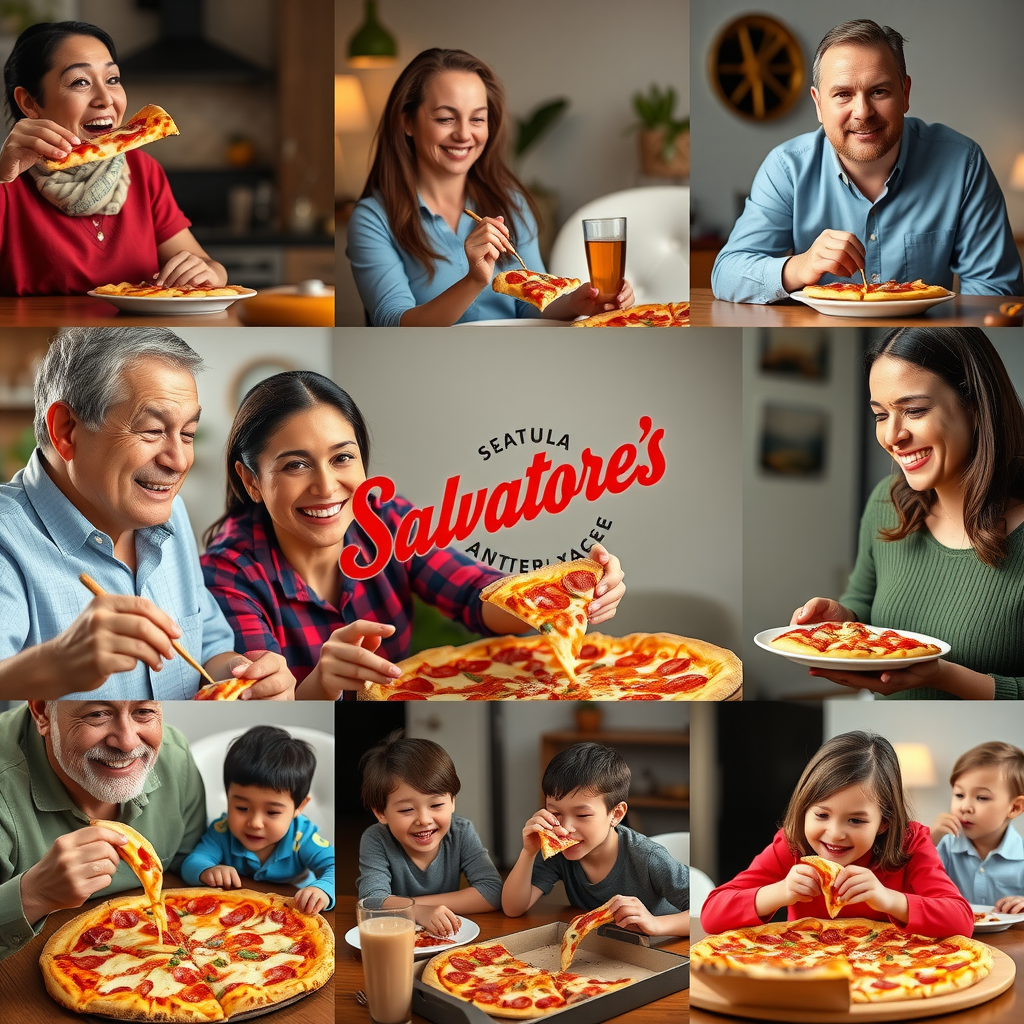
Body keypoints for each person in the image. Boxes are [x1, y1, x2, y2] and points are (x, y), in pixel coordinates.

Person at [201, 371, 626, 698]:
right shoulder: (226, 573)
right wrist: (321, 684)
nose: (327, 487)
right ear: (251, 480)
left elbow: (476, 597)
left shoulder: (385, 517)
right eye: (296, 465)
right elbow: (265, 701)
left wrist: (564, 591)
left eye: (343, 458)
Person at [0, 327, 295, 700]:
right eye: (153, 430)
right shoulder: (6, 538)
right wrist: (57, 664)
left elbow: (208, 651)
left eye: (187, 434)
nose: (178, 460)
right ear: (66, 430)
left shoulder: (171, 513)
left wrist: (247, 679)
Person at [711, 20, 1023, 303]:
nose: (862, 112)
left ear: (905, 93)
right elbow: (726, 274)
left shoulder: (963, 162)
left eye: (879, 91)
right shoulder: (786, 167)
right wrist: (800, 266)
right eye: (843, 94)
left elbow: (995, 291)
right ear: (819, 105)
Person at [790, 327, 1024, 699]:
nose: (892, 436)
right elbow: (862, 600)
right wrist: (845, 620)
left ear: (976, 406)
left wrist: (944, 676)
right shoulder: (886, 502)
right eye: (881, 415)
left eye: (913, 411)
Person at [346, 48, 634, 325]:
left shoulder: (511, 202)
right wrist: (474, 280)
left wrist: (578, 303)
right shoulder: (373, 218)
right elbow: (392, 322)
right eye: (446, 118)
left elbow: (530, 306)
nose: (463, 134)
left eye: (477, 119)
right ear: (407, 121)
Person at [0, 20, 228, 295]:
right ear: (29, 103)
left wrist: (209, 272)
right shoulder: (8, 181)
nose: (105, 98)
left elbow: (207, 265)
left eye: (112, 80)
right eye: (80, 82)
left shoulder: (144, 171)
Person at [700, 732, 972, 937]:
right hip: (808, 966)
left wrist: (887, 898)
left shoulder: (910, 842)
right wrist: (780, 892)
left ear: (884, 822)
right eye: (821, 815)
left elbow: (961, 920)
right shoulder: (793, 844)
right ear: (804, 810)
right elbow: (711, 915)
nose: (835, 833)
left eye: (856, 820)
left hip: (891, 969)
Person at [0, 700, 206, 961]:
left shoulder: (174, 754)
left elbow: (190, 859)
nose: (128, 742)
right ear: (42, 712)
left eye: (143, 712)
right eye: (97, 714)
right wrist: (33, 895)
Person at [502, 742, 689, 937]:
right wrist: (528, 852)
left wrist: (655, 924)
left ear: (616, 814)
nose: (565, 828)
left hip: (665, 948)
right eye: (555, 813)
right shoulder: (558, 853)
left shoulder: (648, 858)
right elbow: (513, 909)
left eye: (582, 815)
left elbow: (705, 911)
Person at [355, 732, 501, 935]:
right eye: (406, 810)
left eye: (436, 804)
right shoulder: (376, 838)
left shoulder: (461, 832)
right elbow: (370, 900)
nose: (424, 819)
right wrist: (416, 911)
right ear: (381, 813)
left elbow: (492, 892)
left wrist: (416, 908)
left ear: (452, 802)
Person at [180, 726, 334, 915]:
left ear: (299, 807)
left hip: (291, 913)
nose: (255, 823)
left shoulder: (302, 837)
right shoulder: (222, 831)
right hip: (235, 912)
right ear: (228, 797)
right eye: (242, 808)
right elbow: (191, 863)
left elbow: (334, 867)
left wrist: (323, 889)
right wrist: (208, 870)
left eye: (272, 812)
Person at [930, 741, 1024, 913]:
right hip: (953, 937)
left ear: (1015, 807)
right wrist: (929, 841)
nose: (965, 807)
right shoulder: (944, 847)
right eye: (959, 795)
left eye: (982, 797)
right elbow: (910, 884)